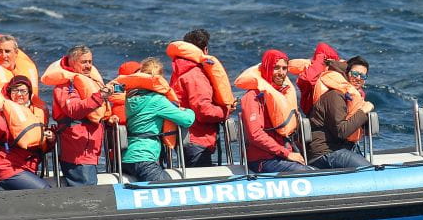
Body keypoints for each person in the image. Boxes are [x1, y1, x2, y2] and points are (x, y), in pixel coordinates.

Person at [40, 45, 112, 186]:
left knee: (89, 186)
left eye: (90, 62)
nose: (88, 66)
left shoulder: (90, 81)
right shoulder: (65, 86)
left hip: (88, 150)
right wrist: (100, 96)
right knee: (85, 189)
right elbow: (73, 109)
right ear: (72, 63)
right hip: (76, 151)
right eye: (84, 62)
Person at [0, 76, 55, 190]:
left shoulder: (37, 112)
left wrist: (51, 139)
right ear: (9, 93)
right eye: (15, 90)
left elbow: (42, 145)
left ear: (29, 93)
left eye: (23, 91)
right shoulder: (3, 112)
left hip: (27, 167)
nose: (19, 94)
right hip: (8, 168)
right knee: (45, 192)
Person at [236, 50, 314, 174]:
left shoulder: (282, 94)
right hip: (262, 160)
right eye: (276, 68)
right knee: (306, 173)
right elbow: (255, 134)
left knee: (313, 170)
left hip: (282, 155)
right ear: (267, 68)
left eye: (284, 68)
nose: (281, 73)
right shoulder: (253, 97)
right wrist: (286, 154)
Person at [118, 58, 195, 182]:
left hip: (126, 158)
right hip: (144, 157)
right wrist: (188, 111)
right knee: (168, 189)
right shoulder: (157, 100)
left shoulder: (129, 98)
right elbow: (187, 120)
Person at [168, 29, 233, 167]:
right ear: (205, 50)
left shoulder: (179, 71)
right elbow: (204, 111)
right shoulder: (195, 74)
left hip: (184, 138)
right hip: (196, 139)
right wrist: (225, 111)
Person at [307, 59, 374, 169]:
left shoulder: (352, 96)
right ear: (347, 73)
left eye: (363, 76)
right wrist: (362, 111)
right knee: (369, 171)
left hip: (342, 148)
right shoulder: (335, 95)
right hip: (324, 152)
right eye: (355, 74)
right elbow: (341, 132)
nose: (358, 78)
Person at [295, 42, 340, 115]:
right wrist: (320, 58)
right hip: (316, 115)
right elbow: (308, 79)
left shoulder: (337, 74)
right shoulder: (309, 73)